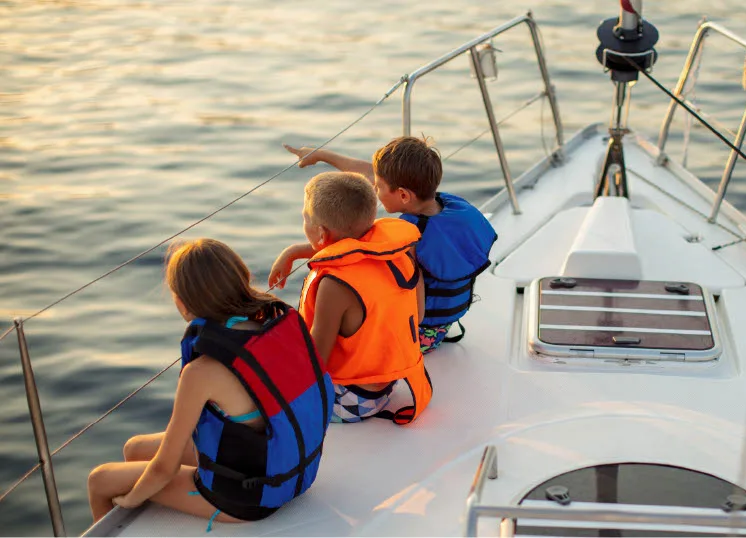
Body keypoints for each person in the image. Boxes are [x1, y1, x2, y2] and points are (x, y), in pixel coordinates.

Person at [87, 239, 330, 529]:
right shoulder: (275, 325)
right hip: (289, 471)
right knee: (134, 449)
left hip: (247, 500)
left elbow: (165, 468)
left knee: (100, 481)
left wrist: (129, 500)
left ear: (181, 303)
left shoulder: (202, 372)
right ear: (242, 278)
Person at [276, 137, 497, 354]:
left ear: (402, 195)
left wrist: (294, 252)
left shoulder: (409, 239)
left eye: (378, 187)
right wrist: (321, 155)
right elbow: (367, 171)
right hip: (443, 325)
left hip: (418, 336)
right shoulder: (447, 204)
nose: (374, 190)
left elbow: (352, 250)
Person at [270, 171, 432, 424]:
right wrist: (293, 252)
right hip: (389, 382)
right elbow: (418, 315)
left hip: (351, 400)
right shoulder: (400, 255)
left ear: (321, 233)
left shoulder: (335, 285)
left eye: (305, 218)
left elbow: (315, 361)